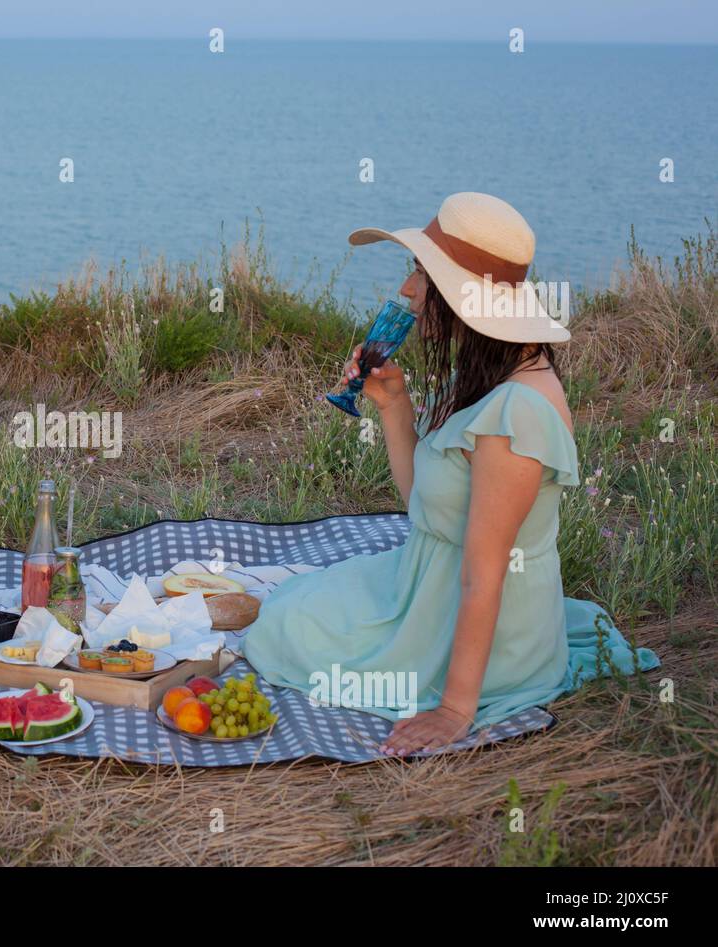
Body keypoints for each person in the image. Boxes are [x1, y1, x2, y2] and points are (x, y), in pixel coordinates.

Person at [242, 192, 658, 756]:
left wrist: (456, 708)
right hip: (429, 587)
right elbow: (430, 506)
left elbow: (483, 576)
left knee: (286, 629)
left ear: (464, 297)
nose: (407, 290)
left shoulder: (516, 415)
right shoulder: (491, 374)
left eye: (423, 274)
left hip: (474, 630)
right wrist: (394, 405)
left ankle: (445, 677)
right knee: (295, 600)